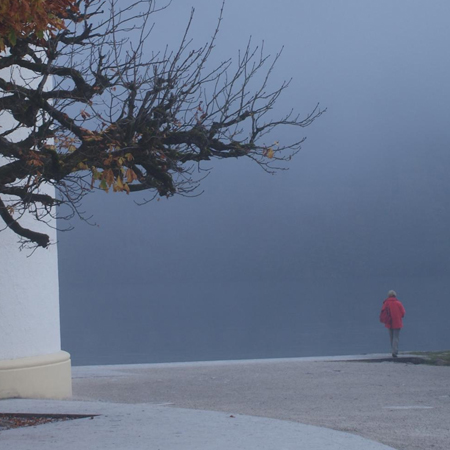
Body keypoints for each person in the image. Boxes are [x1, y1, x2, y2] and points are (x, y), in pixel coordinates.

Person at [380, 290, 406, 357]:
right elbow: (403, 313)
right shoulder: (398, 303)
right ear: (395, 295)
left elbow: (383, 312)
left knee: (391, 337)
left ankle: (393, 350)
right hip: (397, 322)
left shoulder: (386, 303)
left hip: (389, 322)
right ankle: (395, 351)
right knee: (396, 337)